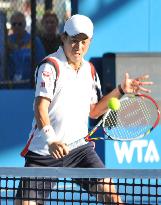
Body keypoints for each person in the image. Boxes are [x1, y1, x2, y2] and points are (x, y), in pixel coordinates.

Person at [16, 14, 153, 204]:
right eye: (73, 41)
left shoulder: (90, 70)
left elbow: (95, 111)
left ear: (90, 41)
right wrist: (52, 140)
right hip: (45, 152)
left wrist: (121, 90)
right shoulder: (50, 66)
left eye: (84, 42)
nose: (78, 47)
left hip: (80, 150)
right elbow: (41, 108)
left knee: (112, 197)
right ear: (63, 38)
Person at [7, 11, 45, 87]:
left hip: (29, 85)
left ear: (24, 25)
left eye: (20, 24)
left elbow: (42, 63)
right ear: (11, 26)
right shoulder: (6, 42)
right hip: (10, 86)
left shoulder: (34, 41)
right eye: (14, 24)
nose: (17, 26)